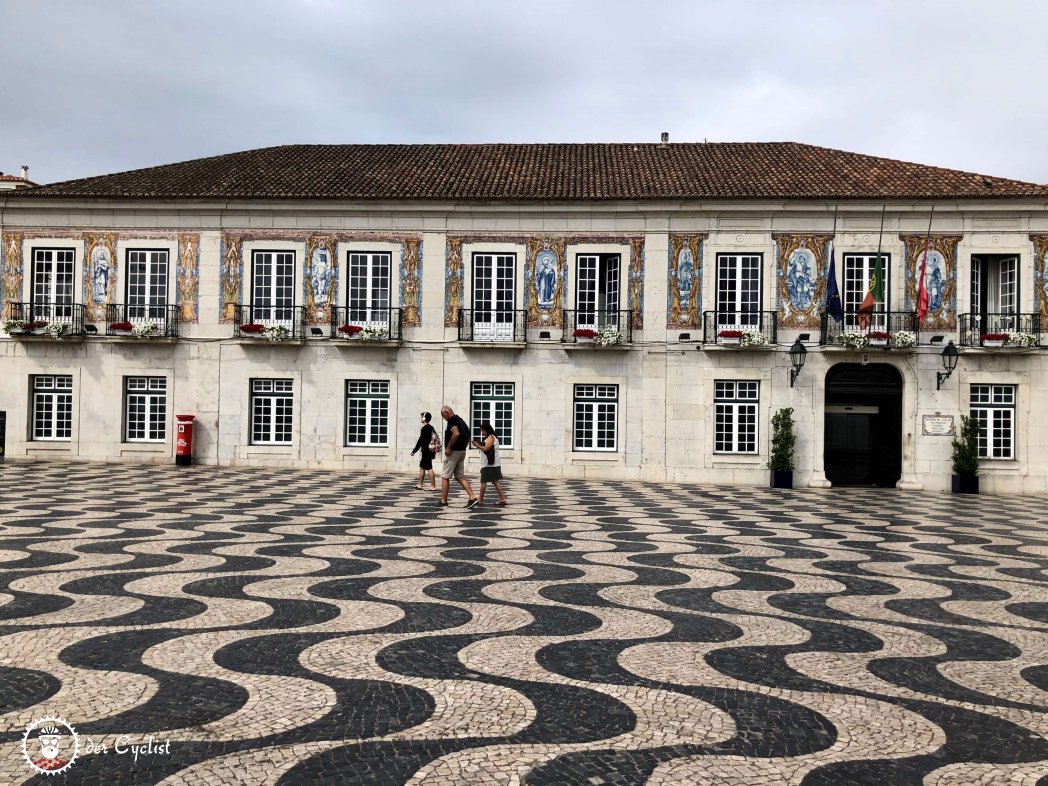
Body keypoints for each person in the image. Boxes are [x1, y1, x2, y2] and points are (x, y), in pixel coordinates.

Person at [439, 405, 478, 508]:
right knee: (459, 476)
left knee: (445, 476)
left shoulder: (452, 420)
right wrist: (463, 447)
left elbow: (456, 433)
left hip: (454, 453)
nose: (444, 419)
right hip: (461, 452)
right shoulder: (461, 420)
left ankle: (443, 501)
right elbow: (468, 435)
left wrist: (449, 447)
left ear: (446, 413)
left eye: (444, 417)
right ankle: (472, 497)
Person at [472, 421, 507, 507]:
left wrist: (477, 445)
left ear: (487, 430)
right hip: (492, 464)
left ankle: (480, 500)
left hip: (489, 464)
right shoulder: (491, 437)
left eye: (483, 431)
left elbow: (486, 449)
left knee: (483, 482)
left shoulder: (491, 437)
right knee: (495, 481)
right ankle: (502, 498)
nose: (482, 433)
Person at [410, 411, 438, 490]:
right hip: (430, 451)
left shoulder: (424, 429)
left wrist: (414, 451)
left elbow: (420, 441)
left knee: (429, 468)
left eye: (422, 417)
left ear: (424, 418)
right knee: (422, 467)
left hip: (426, 451)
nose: (421, 418)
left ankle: (433, 486)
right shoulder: (431, 428)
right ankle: (419, 484)